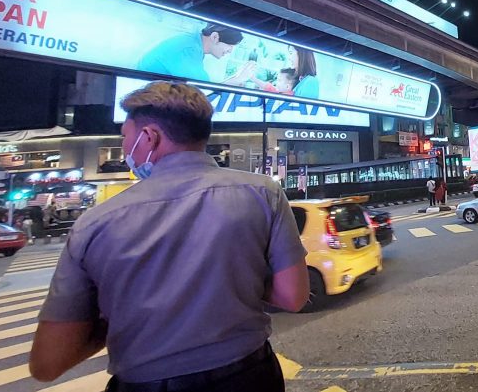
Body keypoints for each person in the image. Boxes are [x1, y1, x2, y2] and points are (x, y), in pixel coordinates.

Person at [29, 81, 309, 390]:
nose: (124, 150)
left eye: (125, 137)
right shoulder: (264, 193)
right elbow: (292, 296)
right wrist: (235, 281)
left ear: (149, 137)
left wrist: (124, 313)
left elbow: (48, 362)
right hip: (252, 376)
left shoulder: (95, 223)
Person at [138, 24, 251, 84]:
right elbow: (202, 92)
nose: (230, 51)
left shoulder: (192, 43)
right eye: (230, 46)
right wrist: (237, 79)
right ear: (215, 37)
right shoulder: (189, 49)